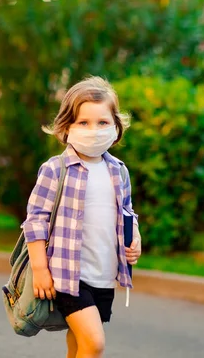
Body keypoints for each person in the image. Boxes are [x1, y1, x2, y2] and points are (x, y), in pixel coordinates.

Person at [22, 76, 141, 358]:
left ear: (116, 126)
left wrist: (134, 237)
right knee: (95, 343)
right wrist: (40, 270)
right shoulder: (56, 169)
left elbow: (127, 211)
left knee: (78, 342)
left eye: (102, 123)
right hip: (68, 276)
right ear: (66, 127)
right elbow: (35, 220)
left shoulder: (118, 171)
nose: (94, 130)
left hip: (103, 275)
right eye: (83, 122)